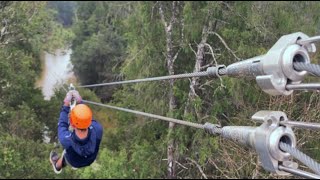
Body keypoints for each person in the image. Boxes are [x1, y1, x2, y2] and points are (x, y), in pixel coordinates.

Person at [49, 90, 103, 174]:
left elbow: (62, 124)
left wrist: (66, 104)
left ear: (72, 125)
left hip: (73, 161)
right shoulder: (98, 129)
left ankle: (57, 166)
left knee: (66, 152)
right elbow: (87, 118)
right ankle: (70, 163)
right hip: (90, 159)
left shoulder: (66, 139)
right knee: (70, 149)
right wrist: (80, 102)